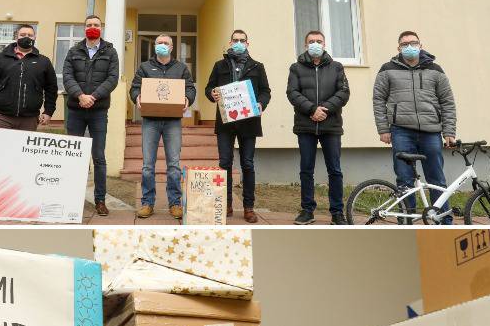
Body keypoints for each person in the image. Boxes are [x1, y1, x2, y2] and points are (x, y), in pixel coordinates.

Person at [373, 30, 457, 211]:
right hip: (401, 131)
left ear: (421, 45)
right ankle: (407, 220)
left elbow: (447, 101)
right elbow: (378, 100)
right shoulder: (387, 69)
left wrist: (449, 131)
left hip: (431, 132)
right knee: (404, 180)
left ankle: (443, 221)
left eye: (413, 43)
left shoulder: (435, 70)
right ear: (398, 48)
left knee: (437, 179)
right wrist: (383, 129)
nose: (409, 47)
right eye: (405, 44)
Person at [204, 29, 271, 223]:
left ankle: (249, 207)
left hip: (249, 122)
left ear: (248, 44)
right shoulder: (219, 65)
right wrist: (212, 94)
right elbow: (209, 88)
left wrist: (261, 103)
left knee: (247, 164)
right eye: (235, 40)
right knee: (224, 163)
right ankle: (226, 204)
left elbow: (266, 91)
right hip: (225, 123)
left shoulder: (257, 66)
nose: (239, 43)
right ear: (230, 42)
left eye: (242, 40)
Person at [286, 29, 350, 224]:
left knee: (335, 170)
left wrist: (326, 109)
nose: (315, 44)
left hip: (331, 126)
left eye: (319, 41)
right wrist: (312, 109)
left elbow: (344, 92)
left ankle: (337, 213)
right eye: (311, 41)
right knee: (306, 170)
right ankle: (307, 210)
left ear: (324, 44)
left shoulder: (337, 67)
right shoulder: (296, 67)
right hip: (306, 126)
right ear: (306, 45)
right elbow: (292, 93)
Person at [129, 34, 195, 218]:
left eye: (166, 43)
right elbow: (135, 87)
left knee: (173, 165)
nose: (162, 45)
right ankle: (147, 203)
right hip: (150, 120)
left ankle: (175, 203)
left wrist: (187, 98)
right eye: (159, 43)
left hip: (173, 121)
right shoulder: (145, 67)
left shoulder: (181, 68)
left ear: (172, 47)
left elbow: (190, 88)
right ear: (155, 46)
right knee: (147, 166)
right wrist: (137, 97)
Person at [61, 13, 121, 216]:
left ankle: (100, 200)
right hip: (75, 111)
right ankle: (71, 198)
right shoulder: (73, 51)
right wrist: (80, 95)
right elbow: (67, 76)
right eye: (89, 25)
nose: (92, 27)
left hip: (98, 111)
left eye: (96, 24)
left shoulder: (111, 52)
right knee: (74, 156)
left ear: (101, 28)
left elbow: (112, 79)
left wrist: (93, 97)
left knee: (99, 157)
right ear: (84, 28)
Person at [0, 24, 58, 131]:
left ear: (35, 38)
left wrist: (48, 111)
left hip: (29, 120)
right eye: (22, 35)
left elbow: (51, 89)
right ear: (16, 37)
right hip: (0, 117)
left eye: (30, 35)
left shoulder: (44, 61)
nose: (26, 37)